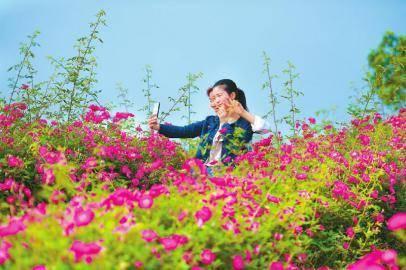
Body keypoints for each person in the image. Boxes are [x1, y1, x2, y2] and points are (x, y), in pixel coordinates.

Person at [148, 79, 271, 175]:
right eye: (212, 99)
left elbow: (264, 129)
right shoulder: (210, 122)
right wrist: (158, 126)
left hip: (224, 173)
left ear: (232, 95)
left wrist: (241, 113)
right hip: (200, 171)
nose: (214, 102)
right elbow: (184, 131)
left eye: (218, 96)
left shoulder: (243, 123)